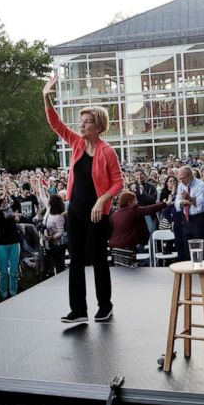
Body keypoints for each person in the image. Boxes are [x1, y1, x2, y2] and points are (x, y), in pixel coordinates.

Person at [43, 75, 122, 323]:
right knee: (75, 260)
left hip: (97, 213)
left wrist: (102, 200)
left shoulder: (107, 151)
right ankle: (78, 310)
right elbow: (57, 125)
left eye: (87, 122)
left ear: (98, 126)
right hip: (75, 211)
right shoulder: (77, 144)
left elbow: (119, 183)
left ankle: (105, 306)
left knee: (99, 259)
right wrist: (46, 97)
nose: (82, 125)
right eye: (82, 121)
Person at [174, 166, 204, 262]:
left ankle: (203, 270)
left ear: (190, 175)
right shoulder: (181, 185)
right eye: (180, 178)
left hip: (199, 219)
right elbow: (177, 202)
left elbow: (201, 205)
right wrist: (183, 202)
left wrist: (189, 198)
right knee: (187, 247)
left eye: (183, 178)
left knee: (201, 247)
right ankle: (190, 270)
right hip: (186, 218)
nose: (181, 181)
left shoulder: (201, 185)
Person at [0, 192, 22, 300]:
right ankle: (4, 294)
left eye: (5, 200)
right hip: (2, 244)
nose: (4, 201)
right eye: (2, 200)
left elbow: (18, 204)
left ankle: (13, 292)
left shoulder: (12, 210)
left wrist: (10, 194)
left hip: (14, 242)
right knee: (3, 271)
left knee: (14, 271)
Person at [42, 193, 67, 275]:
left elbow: (61, 232)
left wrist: (52, 237)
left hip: (57, 245)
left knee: (59, 266)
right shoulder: (48, 211)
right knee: (50, 266)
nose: (48, 201)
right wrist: (39, 184)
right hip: (47, 244)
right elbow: (43, 197)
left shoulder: (59, 217)